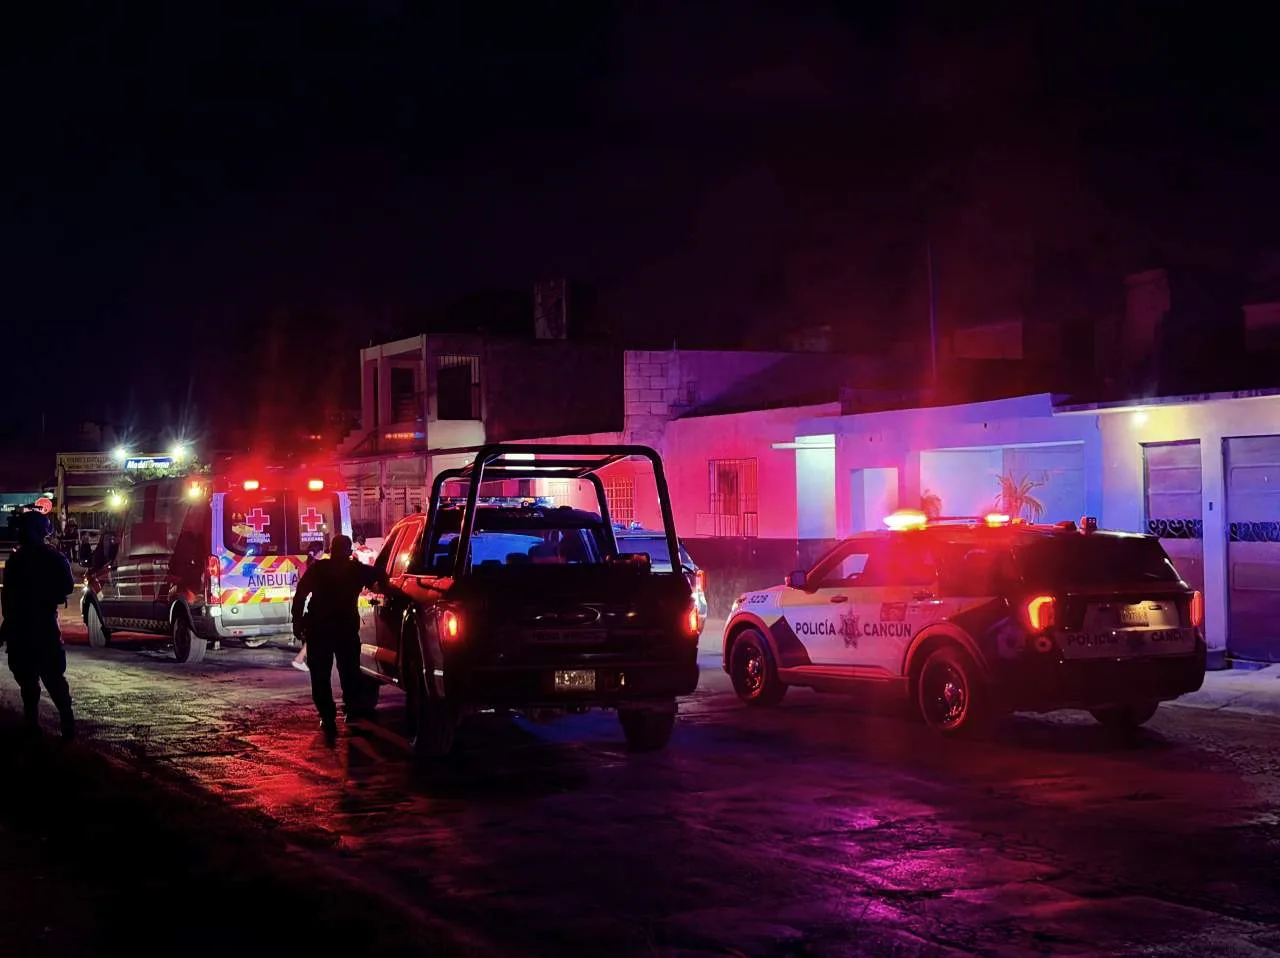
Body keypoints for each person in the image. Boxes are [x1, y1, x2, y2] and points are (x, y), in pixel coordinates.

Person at [290, 534, 382, 744]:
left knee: (320, 676)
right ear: (349, 551)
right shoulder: (356, 569)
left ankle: (327, 717)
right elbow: (378, 576)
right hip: (345, 630)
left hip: (319, 629)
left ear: (331, 549)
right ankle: (351, 711)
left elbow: (301, 594)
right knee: (349, 673)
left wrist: (297, 620)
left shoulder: (319, 569)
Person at [0, 511, 76, 740]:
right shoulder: (52, 558)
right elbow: (67, 587)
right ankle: (61, 725)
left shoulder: (18, 561)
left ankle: (39, 726)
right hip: (40, 627)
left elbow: (10, 601)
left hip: (27, 628)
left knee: (33, 682)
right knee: (48, 680)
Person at [290, 541, 325, 673]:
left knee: (314, 633)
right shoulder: (318, 567)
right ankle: (300, 658)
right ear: (320, 552)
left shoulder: (301, 564)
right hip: (313, 602)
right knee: (317, 633)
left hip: (303, 601)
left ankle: (305, 658)